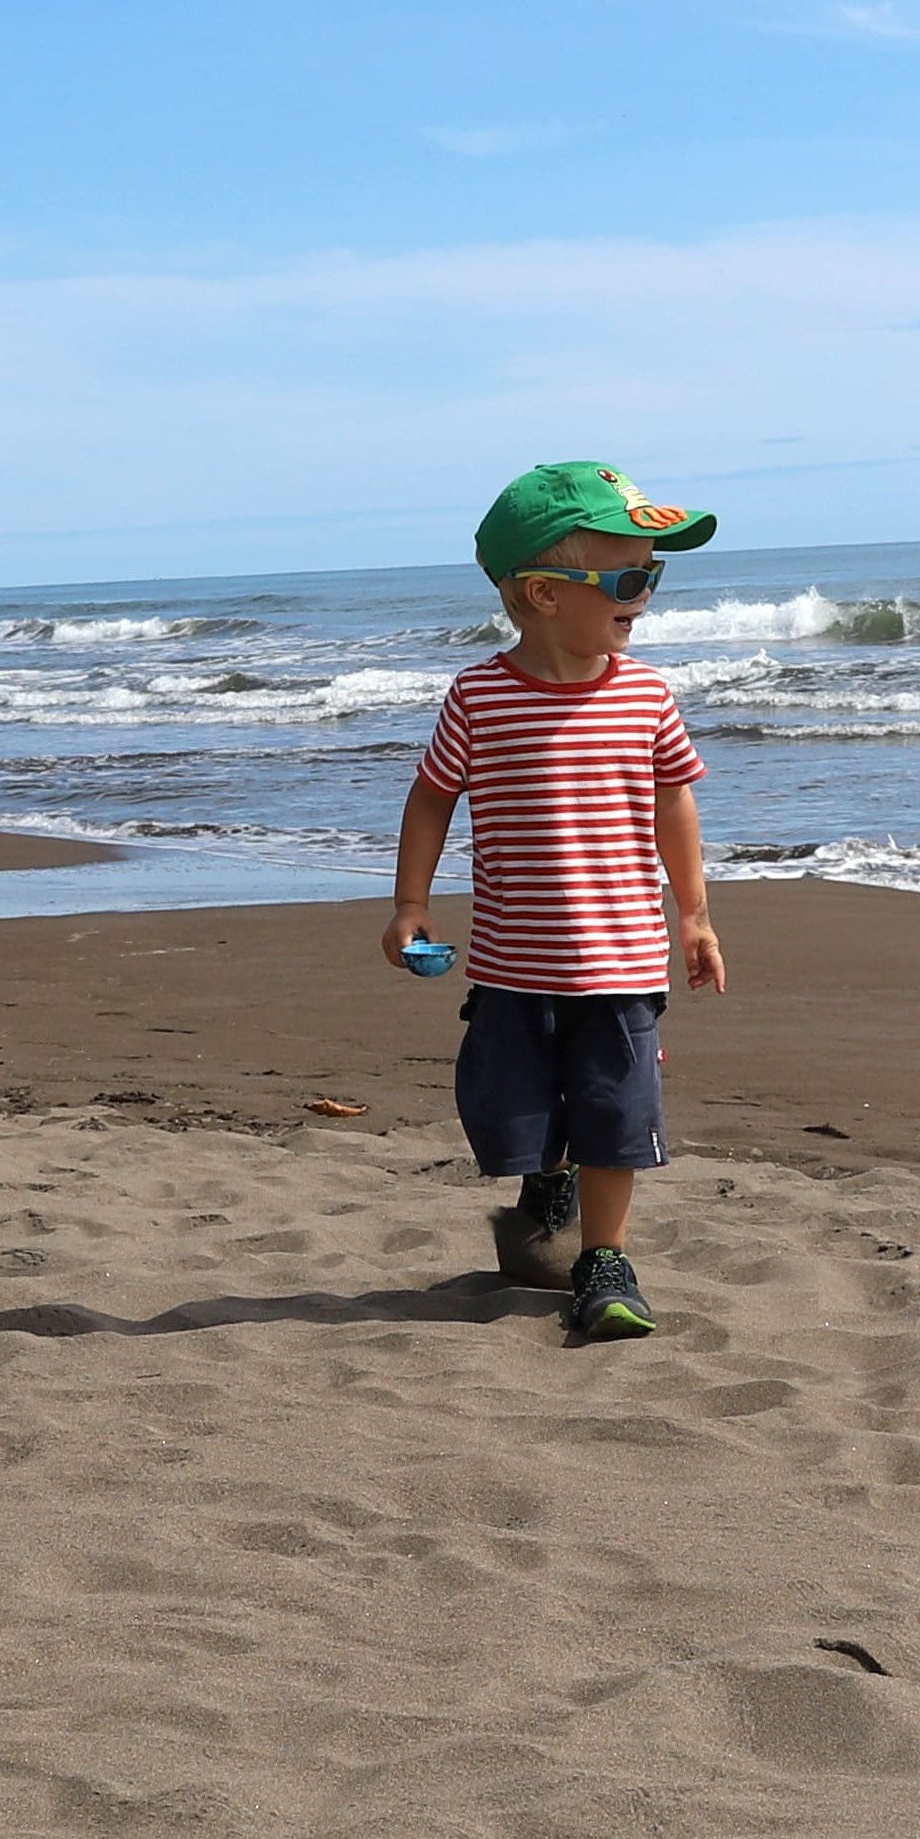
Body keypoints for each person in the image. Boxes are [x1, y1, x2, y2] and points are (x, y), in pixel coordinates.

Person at [383, 461, 729, 1344]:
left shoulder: (646, 694)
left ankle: (604, 1259)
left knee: (618, 1116)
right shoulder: (480, 697)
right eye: (626, 576)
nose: (645, 593)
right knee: (509, 1117)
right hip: (511, 964)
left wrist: (693, 913)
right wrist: (410, 903)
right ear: (542, 592)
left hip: (621, 963)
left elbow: (673, 800)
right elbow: (433, 796)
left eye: (654, 574)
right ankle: (549, 1181)